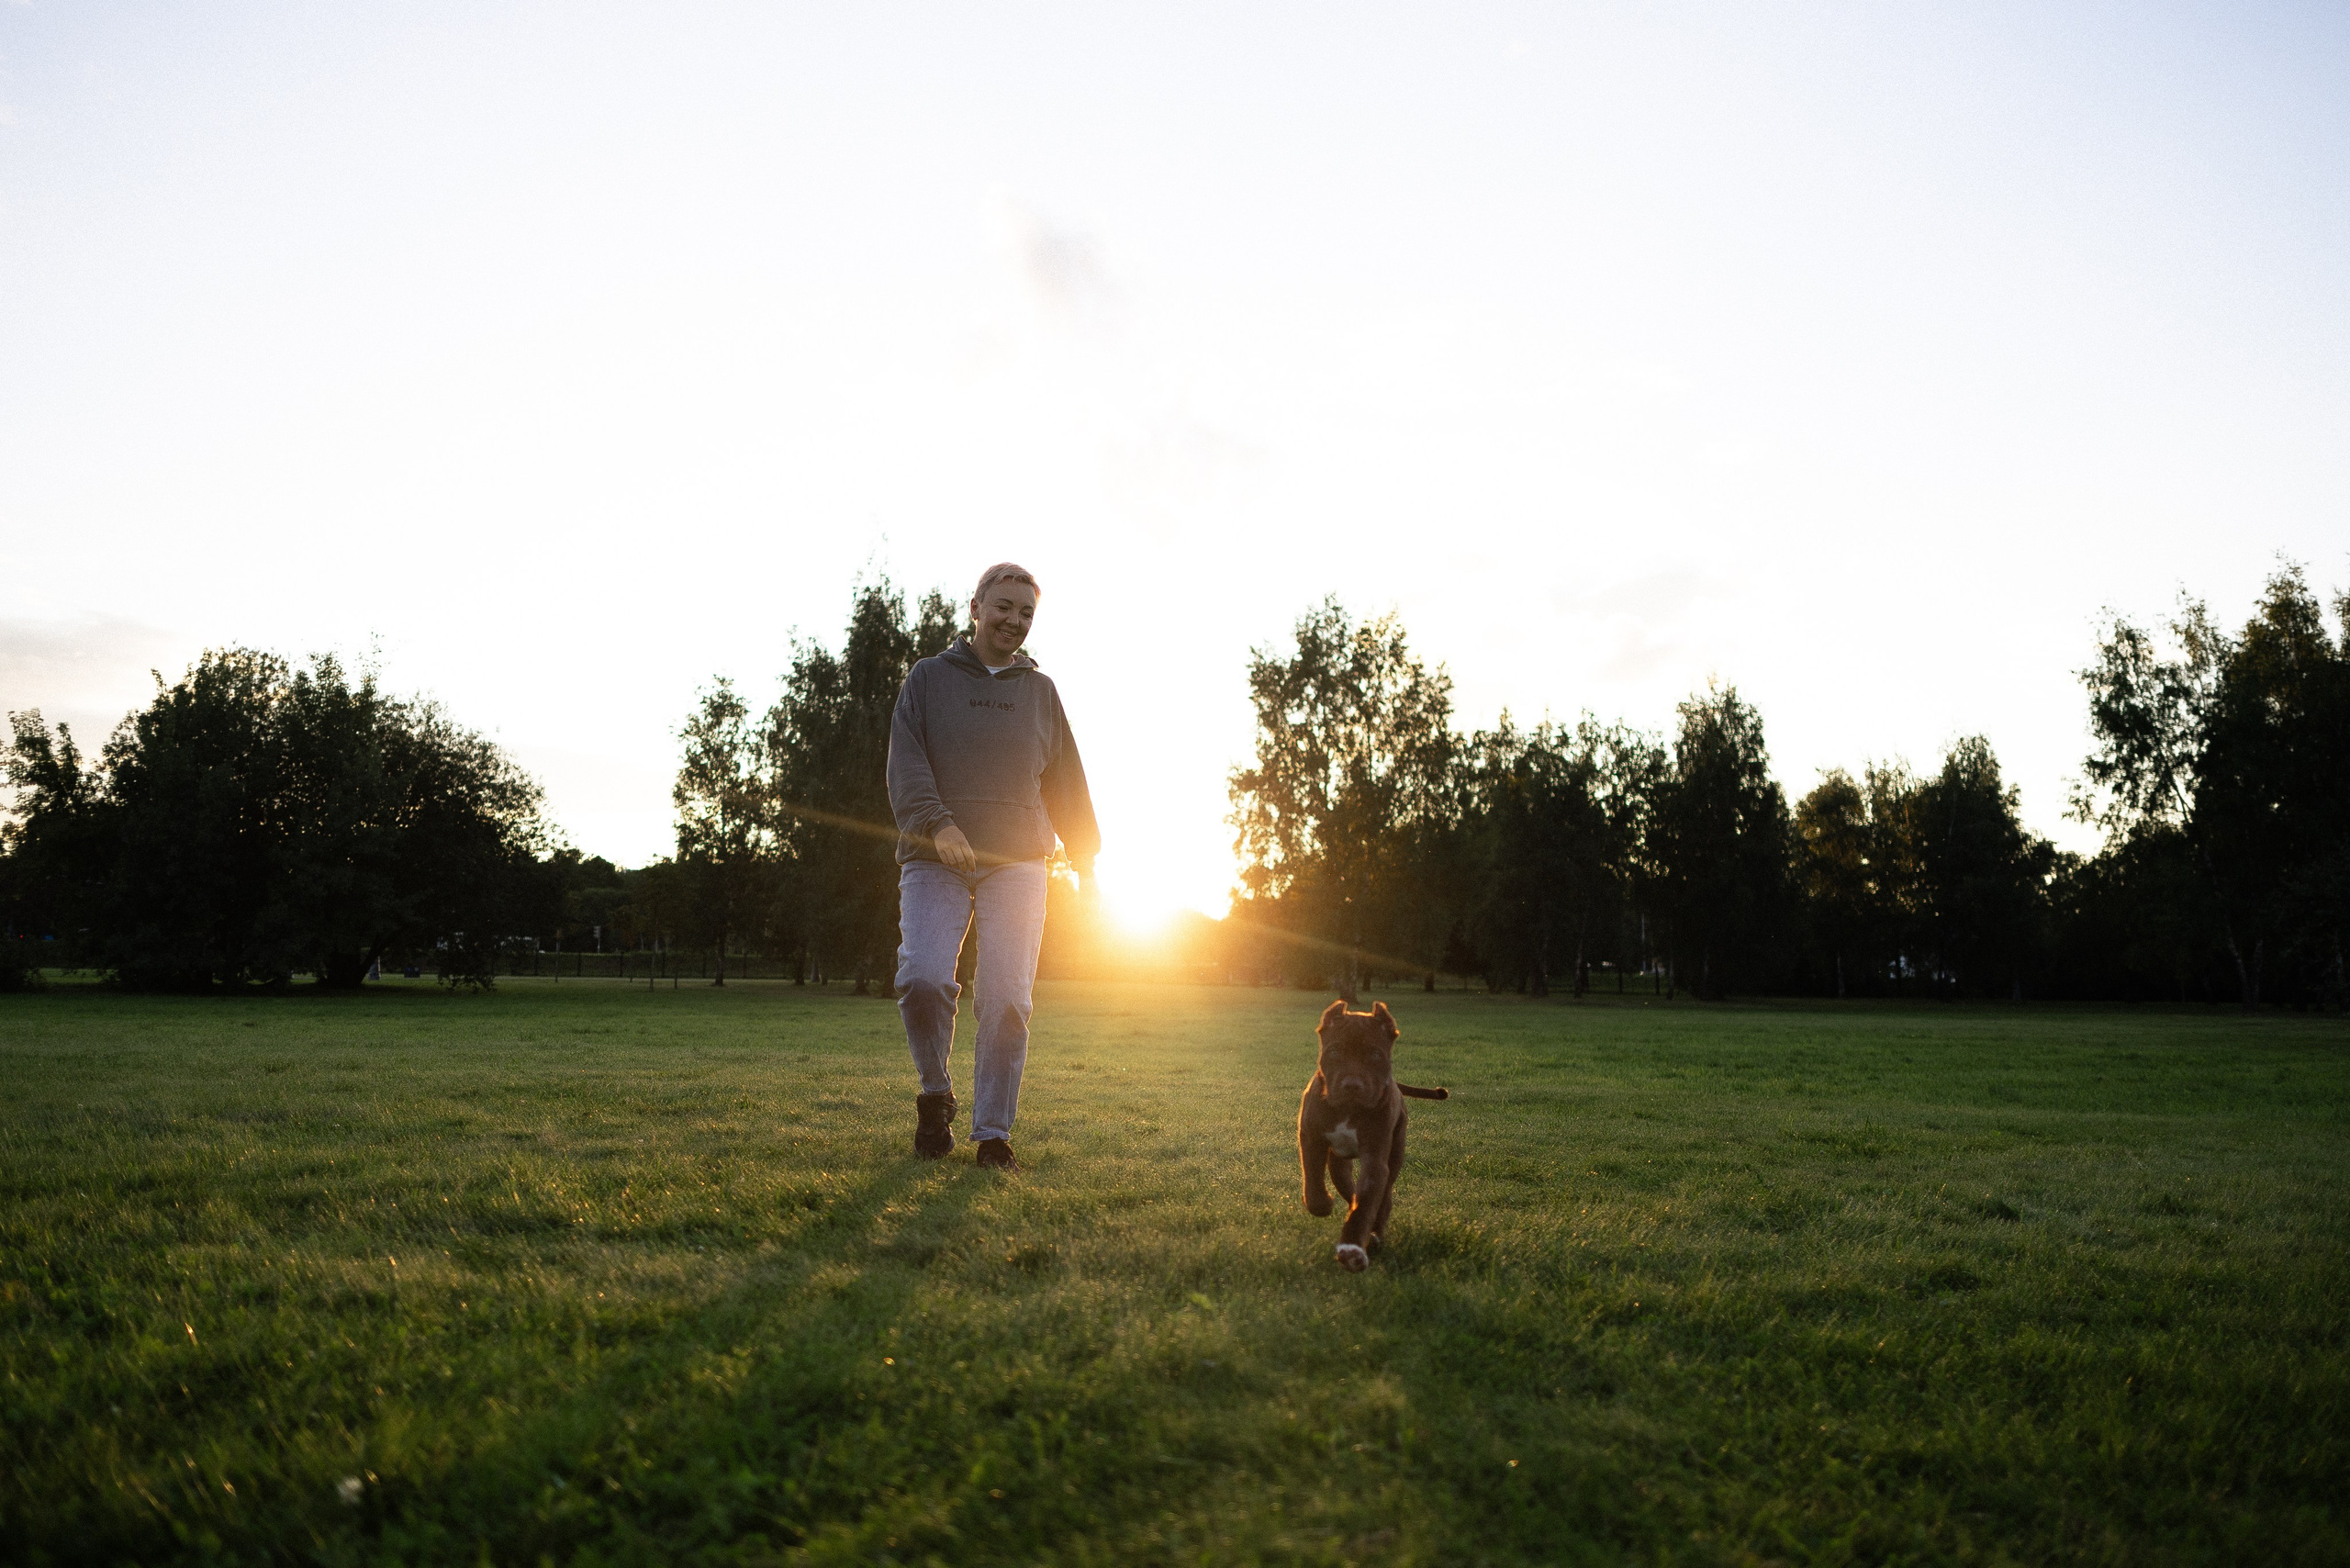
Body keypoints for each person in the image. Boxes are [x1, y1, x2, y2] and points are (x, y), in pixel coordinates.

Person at [887, 561, 1098, 1170]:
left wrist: (1086, 860)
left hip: (1020, 861)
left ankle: (993, 1134)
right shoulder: (927, 679)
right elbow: (905, 764)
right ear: (975, 607)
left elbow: (1067, 783)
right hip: (935, 857)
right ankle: (935, 1094)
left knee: (1007, 998)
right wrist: (939, 824)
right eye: (1003, 607)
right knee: (922, 978)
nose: (1014, 621)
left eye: (1026, 612)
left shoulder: (1041, 693)